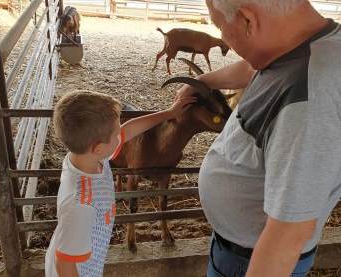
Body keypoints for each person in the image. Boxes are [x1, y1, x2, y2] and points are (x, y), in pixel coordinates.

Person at [177, 0, 341, 276]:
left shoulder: (309, 100)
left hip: (252, 261)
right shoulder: (296, 46)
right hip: (236, 248)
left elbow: (288, 234)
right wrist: (203, 82)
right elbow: (252, 69)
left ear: (248, 20)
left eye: (219, 26)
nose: (222, 35)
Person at [45, 90, 195, 277]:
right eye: (116, 133)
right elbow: (65, 264)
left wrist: (169, 114)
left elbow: (129, 130)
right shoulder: (81, 205)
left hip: (87, 258)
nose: (121, 135)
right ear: (98, 147)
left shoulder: (90, 157)